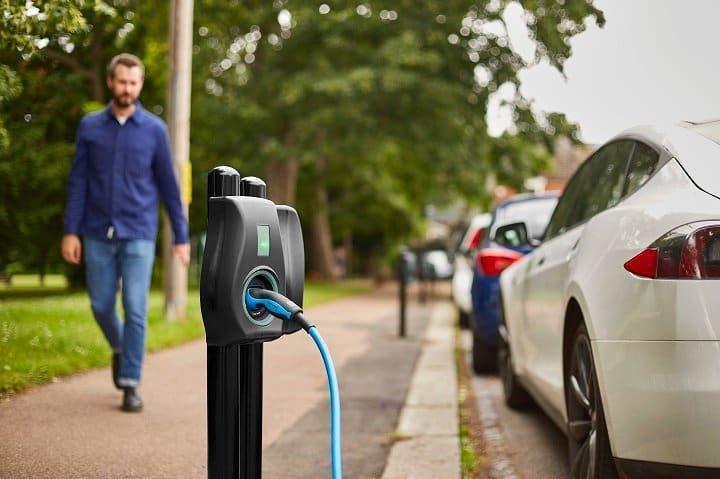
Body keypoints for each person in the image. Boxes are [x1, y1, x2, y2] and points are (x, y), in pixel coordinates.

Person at [61, 53, 190, 413]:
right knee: (101, 304)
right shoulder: (90, 126)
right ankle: (120, 347)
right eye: (121, 82)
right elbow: (78, 182)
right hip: (97, 232)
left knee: (135, 308)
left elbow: (169, 186)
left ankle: (131, 383)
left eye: (133, 83)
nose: (127, 89)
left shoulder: (154, 130)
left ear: (141, 85)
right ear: (110, 82)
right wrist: (70, 230)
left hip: (139, 233)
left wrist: (181, 236)